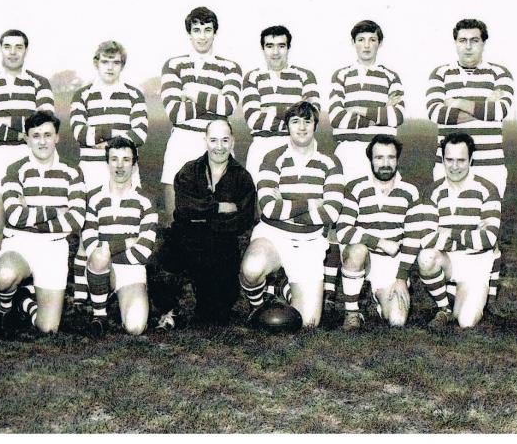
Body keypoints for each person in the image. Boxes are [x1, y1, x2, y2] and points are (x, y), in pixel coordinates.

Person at [425, 18, 512, 302]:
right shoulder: (440, 74)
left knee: (488, 226)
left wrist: (458, 102)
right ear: (456, 42)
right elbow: (437, 114)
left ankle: (490, 293)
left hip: (490, 163)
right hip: (448, 162)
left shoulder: (500, 73)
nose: (468, 46)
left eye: (474, 40)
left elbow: (500, 111)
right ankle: (452, 288)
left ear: (483, 42)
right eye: (462, 40)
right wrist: (481, 105)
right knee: (449, 223)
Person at [0, 29, 54, 316]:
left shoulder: (39, 83)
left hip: (28, 160)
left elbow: (45, 124)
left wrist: (5, 121)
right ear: (0, 49)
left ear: (26, 50)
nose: (13, 52)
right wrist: (23, 130)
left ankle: (25, 294)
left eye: (19, 47)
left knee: (26, 228)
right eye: (7, 46)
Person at [239, 101, 343, 328]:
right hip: (273, 236)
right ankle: (257, 304)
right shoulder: (272, 158)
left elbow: (332, 212)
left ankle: (279, 287)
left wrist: (285, 206)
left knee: (309, 322)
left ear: (315, 125)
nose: (302, 127)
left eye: (308, 121)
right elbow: (268, 208)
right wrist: (312, 202)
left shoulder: (330, 163)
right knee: (252, 268)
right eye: (295, 121)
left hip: (310, 242)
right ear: (287, 125)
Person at [150, 119, 257, 330]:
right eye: (214, 140)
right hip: (186, 238)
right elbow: (183, 208)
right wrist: (218, 208)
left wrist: (203, 216)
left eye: (225, 140)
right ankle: (169, 308)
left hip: (221, 245)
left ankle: (208, 302)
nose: (219, 146)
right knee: (158, 266)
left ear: (233, 141)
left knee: (215, 317)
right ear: (205, 141)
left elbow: (242, 220)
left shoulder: (242, 178)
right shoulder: (190, 171)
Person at [0, 111, 86, 335]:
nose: (42, 141)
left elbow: (76, 219)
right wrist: (57, 211)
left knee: (48, 328)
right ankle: (5, 311)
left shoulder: (72, 171)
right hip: (20, 243)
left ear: (57, 138)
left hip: (54, 246)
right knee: (4, 277)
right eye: (35, 135)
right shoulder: (15, 169)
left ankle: (23, 301)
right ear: (26, 138)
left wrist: (32, 217)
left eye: (47, 134)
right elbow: (14, 216)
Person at [69, 40, 148, 304]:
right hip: (91, 169)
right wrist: (117, 134)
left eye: (116, 62)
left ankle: (115, 289)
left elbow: (140, 134)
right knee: (88, 234)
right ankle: (82, 299)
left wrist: (103, 137)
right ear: (96, 63)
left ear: (122, 65)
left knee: (125, 230)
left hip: (125, 168)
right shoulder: (82, 95)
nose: (110, 67)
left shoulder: (134, 95)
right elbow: (80, 133)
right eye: (105, 61)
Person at [334, 134, 426, 330]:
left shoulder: (410, 192)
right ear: (370, 160)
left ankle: (372, 296)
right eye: (379, 158)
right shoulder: (356, 187)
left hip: (391, 266)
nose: (385, 163)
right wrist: (380, 242)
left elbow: (413, 239)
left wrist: (401, 278)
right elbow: (343, 231)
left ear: (397, 159)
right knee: (356, 250)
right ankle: (352, 311)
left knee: (397, 320)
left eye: (391, 158)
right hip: (364, 257)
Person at [159, 7, 242, 222]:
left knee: (219, 214)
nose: (202, 36)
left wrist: (194, 94)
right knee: (176, 217)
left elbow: (228, 106)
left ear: (215, 32)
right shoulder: (174, 65)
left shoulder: (230, 67)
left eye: (207, 29)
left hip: (216, 141)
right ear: (189, 33)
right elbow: (175, 113)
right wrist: (214, 102)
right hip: (182, 139)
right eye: (197, 30)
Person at [416, 132, 502, 329]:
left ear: (471, 159)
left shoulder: (487, 189)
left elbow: (488, 239)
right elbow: (427, 239)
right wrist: (471, 234)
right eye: (449, 160)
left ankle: (468, 291)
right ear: (443, 159)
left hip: (476, 263)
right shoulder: (433, 191)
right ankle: (444, 308)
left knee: (465, 322)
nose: (454, 166)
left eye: (461, 160)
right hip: (449, 260)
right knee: (426, 257)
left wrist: (448, 231)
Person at [80, 138, 158, 337]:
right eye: (114, 159)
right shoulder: (94, 198)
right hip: (101, 268)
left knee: (135, 327)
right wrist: (125, 242)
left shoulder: (146, 201)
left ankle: (117, 301)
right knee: (98, 258)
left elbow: (143, 253)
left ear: (134, 163)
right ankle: (100, 315)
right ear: (107, 162)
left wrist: (106, 249)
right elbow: (90, 247)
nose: (120, 165)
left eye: (126, 159)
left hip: (132, 272)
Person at [327, 20, 405, 184]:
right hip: (348, 151)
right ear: (353, 43)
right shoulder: (341, 76)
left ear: (380, 43)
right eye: (361, 40)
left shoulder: (391, 77)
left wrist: (358, 110)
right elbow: (336, 119)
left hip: (380, 152)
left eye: (372, 39)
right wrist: (382, 110)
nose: (367, 45)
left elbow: (397, 117)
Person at [241, 25, 320, 181]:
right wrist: (295, 117)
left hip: (297, 147)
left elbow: (313, 115)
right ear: (263, 48)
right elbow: (253, 119)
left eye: (281, 46)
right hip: (262, 146)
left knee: (297, 199)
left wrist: (271, 111)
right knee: (262, 200)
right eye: (270, 46)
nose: (275, 52)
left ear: (288, 48)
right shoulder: (252, 77)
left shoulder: (305, 76)